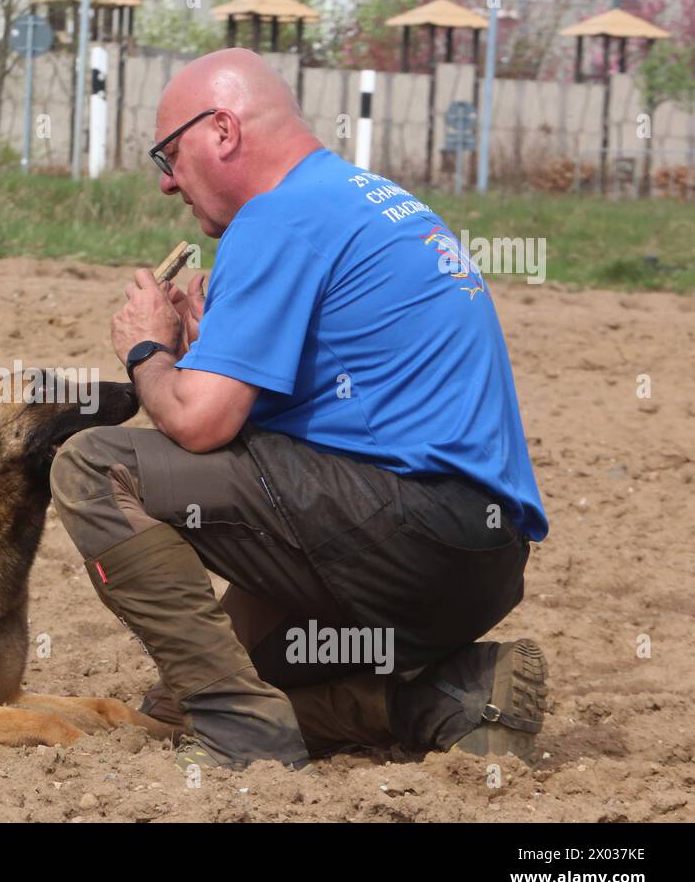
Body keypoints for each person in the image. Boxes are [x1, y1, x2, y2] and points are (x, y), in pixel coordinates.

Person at [49, 48, 550, 770]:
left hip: (406, 531)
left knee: (94, 468)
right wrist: (204, 355)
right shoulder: (358, 197)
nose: (165, 182)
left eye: (169, 153)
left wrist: (147, 353)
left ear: (221, 130)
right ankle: (451, 699)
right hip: (478, 562)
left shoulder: (277, 215)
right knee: (202, 688)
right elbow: (291, 427)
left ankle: (241, 730)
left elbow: (198, 424)